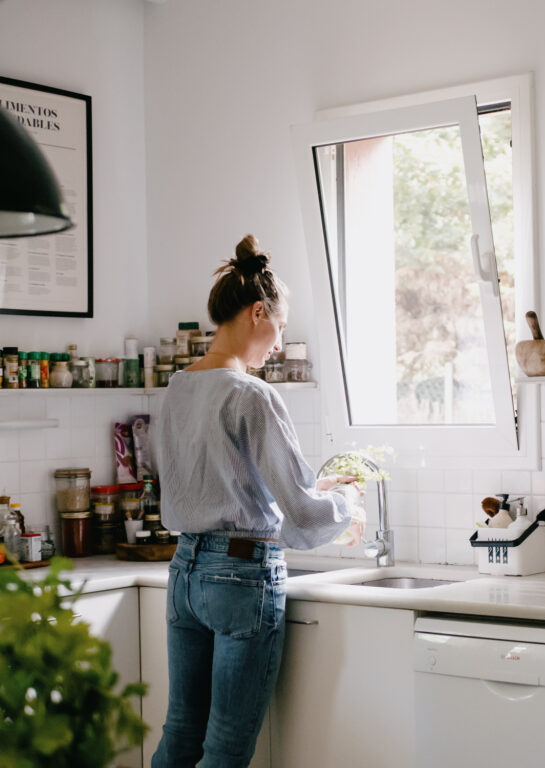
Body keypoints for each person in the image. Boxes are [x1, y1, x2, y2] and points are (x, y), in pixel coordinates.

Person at [151, 234, 363, 768]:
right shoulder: (252, 394)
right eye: (280, 328)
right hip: (241, 581)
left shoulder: (176, 388)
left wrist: (315, 491)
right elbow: (303, 514)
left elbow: (230, 488)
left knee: (179, 735)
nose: (277, 342)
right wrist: (349, 505)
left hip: (185, 574)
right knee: (224, 748)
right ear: (258, 311)